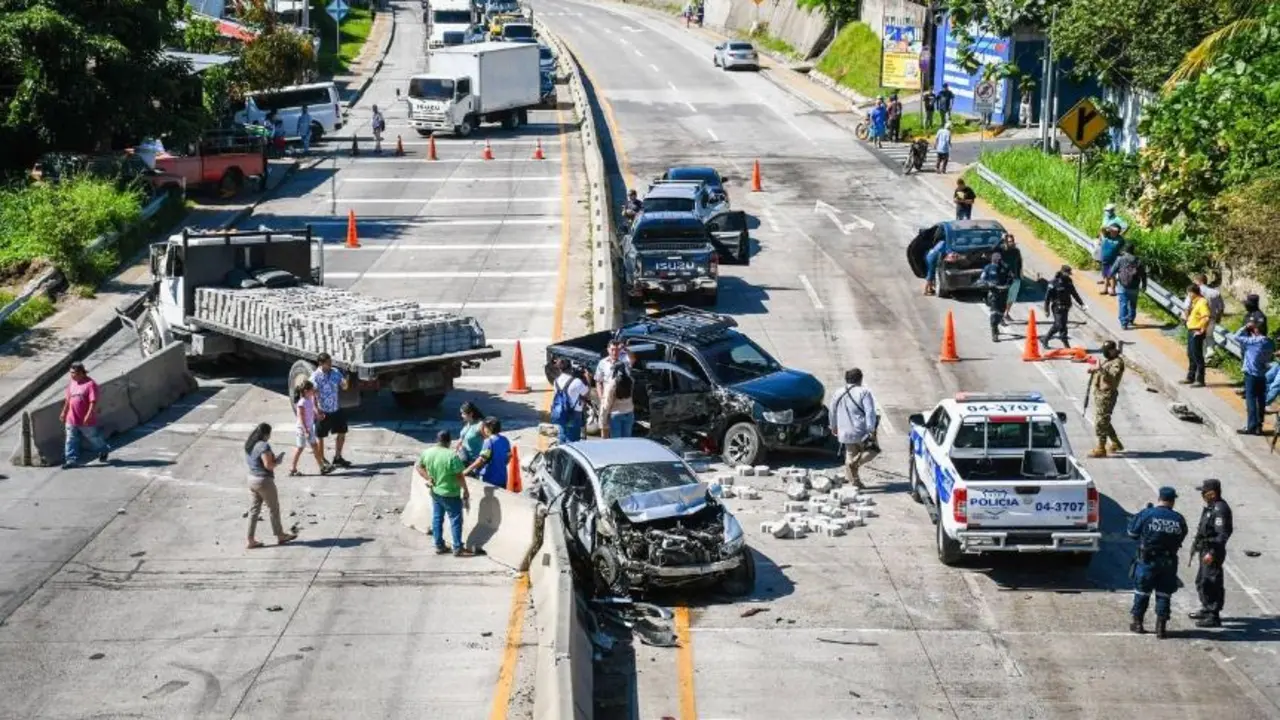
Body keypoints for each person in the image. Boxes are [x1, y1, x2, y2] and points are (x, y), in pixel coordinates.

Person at [1126, 486, 1188, 637]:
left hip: (1148, 561)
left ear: (1159, 498)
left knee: (1142, 592)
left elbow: (1131, 533)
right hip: (1168, 562)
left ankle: (1138, 623)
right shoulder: (1178, 519)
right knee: (1164, 594)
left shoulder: (1148, 514)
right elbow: (1181, 536)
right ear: (1173, 501)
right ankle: (1161, 628)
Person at [417, 430, 474, 556]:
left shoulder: (428, 452)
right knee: (455, 520)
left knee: (437, 518)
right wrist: (466, 490)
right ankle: (457, 547)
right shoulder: (452, 456)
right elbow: (459, 476)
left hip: (436, 492)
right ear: (449, 441)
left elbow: (419, 467)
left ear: (437, 440)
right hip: (451, 493)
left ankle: (439, 545)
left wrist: (428, 478)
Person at [243, 423, 297, 549]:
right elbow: (268, 465)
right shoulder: (263, 445)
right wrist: (277, 461)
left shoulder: (249, 444)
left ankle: (250, 540)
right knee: (274, 508)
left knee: (254, 510)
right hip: (264, 481)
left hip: (252, 479)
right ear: (266, 434)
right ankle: (280, 535)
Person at [1189, 479, 1233, 628]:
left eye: (1205, 492)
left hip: (1212, 551)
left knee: (1211, 582)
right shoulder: (1211, 507)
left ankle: (1213, 615)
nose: (1202, 494)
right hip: (1206, 548)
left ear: (1212, 493)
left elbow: (1222, 535)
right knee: (1201, 581)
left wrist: (1212, 553)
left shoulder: (1220, 509)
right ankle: (1206, 607)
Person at [827, 368, 879, 489]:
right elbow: (870, 412)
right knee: (872, 450)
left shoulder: (838, 392)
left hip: (844, 431)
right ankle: (856, 464)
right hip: (861, 431)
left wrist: (833, 426)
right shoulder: (864, 392)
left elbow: (832, 411)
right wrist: (871, 429)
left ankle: (855, 483)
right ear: (860, 379)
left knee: (850, 454)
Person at [60, 362, 110, 469]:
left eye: (74, 373)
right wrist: (64, 412)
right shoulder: (72, 383)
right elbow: (68, 399)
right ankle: (71, 460)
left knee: (93, 437)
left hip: (85, 419)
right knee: (70, 438)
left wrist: (88, 415)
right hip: (71, 417)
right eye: (71, 373)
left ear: (81, 373)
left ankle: (103, 449)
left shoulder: (90, 384)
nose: (72, 375)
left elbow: (93, 401)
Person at [311, 353, 352, 469]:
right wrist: (316, 410)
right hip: (323, 411)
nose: (330, 364)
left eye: (330, 362)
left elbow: (344, 387)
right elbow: (311, 395)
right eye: (328, 363)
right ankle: (322, 460)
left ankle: (337, 457)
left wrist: (346, 381)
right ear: (321, 364)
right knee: (321, 436)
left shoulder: (335, 372)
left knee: (342, 432)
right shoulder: (315, 377)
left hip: (336, 409)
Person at [1234, 322, 1274, 435]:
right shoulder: (1270, 342)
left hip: (1251, 375)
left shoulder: (1253, 341)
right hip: (1262, 375)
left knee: (1251, 401)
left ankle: (1251, 426)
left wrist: (1245, 327)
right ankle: (1259, 426)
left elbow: (1236, 337)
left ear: (1256, 330)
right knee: (1261, 401)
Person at [1088, 341, 1126, 457]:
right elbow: (1103, 370)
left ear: (1113, 350)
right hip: (1100, 393)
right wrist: (1095, 370)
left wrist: (1101, 370)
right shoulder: (1110, 360)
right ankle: (1115, 442)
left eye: (1108, 350)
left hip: (1107, 395)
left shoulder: (1117, 363)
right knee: (1104, 420)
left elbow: (1112, 377)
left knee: (1101, 422)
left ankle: (1101, 448)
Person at [289, 380, 331, 476]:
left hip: (309, 428)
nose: (313, 391)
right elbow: (301, 418)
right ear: (306, 391)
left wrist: (318, 416)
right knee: (300, 448)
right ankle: (292, 468)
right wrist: (305, 430)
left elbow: (311, 412)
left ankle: (322, 467)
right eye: (312, 389)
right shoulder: (301, 403)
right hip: (302, 429)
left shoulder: (310, 399)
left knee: (315, 447)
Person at [1042, 265, 1085, 349]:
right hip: (1057, 307)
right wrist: (1046, 310)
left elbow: (1074, 293)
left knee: (1063, 326)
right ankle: (1046, 338)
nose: (1068, 275)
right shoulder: (1053, 283)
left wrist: (1081, 303)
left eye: (1069, 273)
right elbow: (1047, 297)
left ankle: (1065, 344)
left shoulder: (1069, 281)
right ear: (1062, 272)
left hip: (1066, 307)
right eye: (1067, 273)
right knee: (1059, 325)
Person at [550, 358, 590, 443]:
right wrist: (587, 378)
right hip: (574, 413)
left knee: (562, 436)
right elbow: (586, 393)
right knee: (573, 440)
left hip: (561, 412)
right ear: (570, 367)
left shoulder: (556, 381)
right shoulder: (577, 381)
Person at [465, 416, 511, 489]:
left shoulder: (489, 441)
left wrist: (467, 470)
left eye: (484, 427)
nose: (483, 429)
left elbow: (482, 459)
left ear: (489, 428)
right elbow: (508, 457)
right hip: (502, 477)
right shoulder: (505, 440)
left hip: (489, 478)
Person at [978, 252, 1011, 342]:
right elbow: (982, 280)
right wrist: (989, 284)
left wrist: (1007, 285)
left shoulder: (1005, 267)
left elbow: (1011, 278)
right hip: (993, 294)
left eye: (999, 259)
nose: (998, 261)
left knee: (1000, 313)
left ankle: (997, 324)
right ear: (993, 259)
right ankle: (994, 333)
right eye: (996, 259)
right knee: (994, 314)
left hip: (1003, 294)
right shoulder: (988, 268)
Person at [1111, 248, 1147, 330]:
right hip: (1135, 286)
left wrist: (1114, 281)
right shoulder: (1138, 261)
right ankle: (1131, 319)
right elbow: (1144, 275)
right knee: (1133, 304)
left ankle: (1124, 323)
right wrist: (1144, 285)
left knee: (1123, 304)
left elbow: (1112, 271)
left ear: (1125, 251)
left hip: (1123, 286)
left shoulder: (1120, 259)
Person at [1182, 284, 1210, 387]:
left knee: (1197, 355)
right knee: (1190, 354)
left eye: (1189, 293)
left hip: (1197, 331)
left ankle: (1200, 379)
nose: (1188, 295)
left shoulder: (1202, 302)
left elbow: (1206, 317)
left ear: (1193, 292)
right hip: (1191, 330)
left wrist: (1202, 330)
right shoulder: (1195, 302)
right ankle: (1190, 376)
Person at [599, 360, 636, 438]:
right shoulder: (631, 381)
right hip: (629, 413)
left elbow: (607, 403)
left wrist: (603, 419)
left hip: (616, 415)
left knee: (616, 442)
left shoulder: (612, 384)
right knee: (627, 440)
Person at [1194, 273, 1225, 357]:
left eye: (1195, 281)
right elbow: (1221, 307)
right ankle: (1210, 351)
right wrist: (1218, 317)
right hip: (1212, 318)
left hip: (1199, 318)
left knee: (1198, 337)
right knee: (1209, 336)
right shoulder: (1215, 292)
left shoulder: (1195, 291)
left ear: (1198, 281)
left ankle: (1201, 357)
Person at [1001, 234, 1023, 323]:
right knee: (1004, 297)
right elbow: (993, 249)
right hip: (1005, 278)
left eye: (1012, 241)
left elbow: (1019, 262)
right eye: (1009, 241)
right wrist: (1001, 240)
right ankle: (1001, 314)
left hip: (1016, 277)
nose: (1012, 243)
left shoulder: (1016, 251)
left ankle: (1006, 313)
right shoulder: (1002, 251)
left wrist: (1020, 273)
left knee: (1012, 297)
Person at [456, 401, 486, 465]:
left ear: (471, 414)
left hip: (475, 462)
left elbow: (488, 441)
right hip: (464, 458)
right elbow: (461, 439)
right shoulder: (468, 424)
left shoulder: (480, 425)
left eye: (463, 414)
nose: (461, 416)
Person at [1097, 226, 1123, 296]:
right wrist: (1108, 227)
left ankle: (1113, 291)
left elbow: (1122, 249)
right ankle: (1105, 289)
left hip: (1113, 260)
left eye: (1114, 231)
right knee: (1105, 275)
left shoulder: (1120, 239)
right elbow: (1102, 229)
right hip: (1104, 259)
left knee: (1111, 275)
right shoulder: (1107, 236)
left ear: (1118, 232)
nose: (1112, 232)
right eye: (1111, 230)